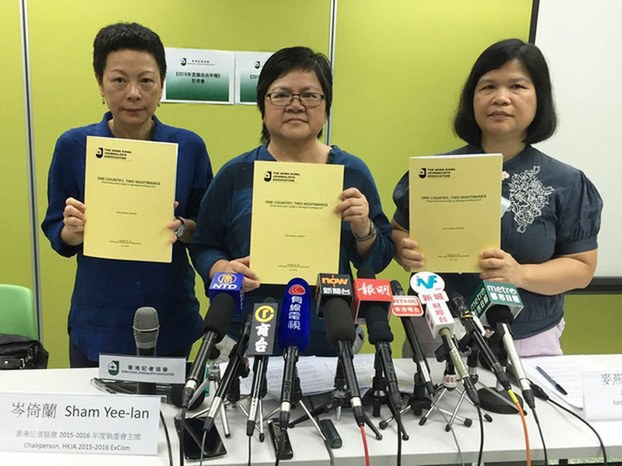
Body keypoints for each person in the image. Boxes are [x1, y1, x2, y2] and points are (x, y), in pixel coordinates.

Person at [392, 38, 602, 357]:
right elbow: (399, 230)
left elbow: (581, 267)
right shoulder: (433, 172)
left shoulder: (567, 182)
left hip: (528, 338)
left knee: (528, 409)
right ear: (472, 98)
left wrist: (520, 274)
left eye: (517, 86)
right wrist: (402, 248)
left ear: (539, 98)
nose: (501, 98)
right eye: (488, 86)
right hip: (438, 331)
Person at [189, 46, 394, 356]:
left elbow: (378, 257)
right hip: (247, 331)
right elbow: (204, 244)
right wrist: (220, 268)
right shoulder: (237, 173)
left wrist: (364, 229)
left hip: (330, 333)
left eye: (310, 95)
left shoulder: (351, 171)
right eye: (282, 95)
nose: (296, 105)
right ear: (263, 106)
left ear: (325, 107)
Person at [41, 22, 213, 367]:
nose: (133, 93)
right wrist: (71, 231)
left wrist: (180, 226)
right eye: (119, 80)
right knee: (98, 419)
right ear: (100, 83)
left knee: (168, 419)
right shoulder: (74, 146)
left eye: (146, 81)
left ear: (161, 84)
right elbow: (55, 229)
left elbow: (205, 231)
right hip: (99, 319)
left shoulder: (188, 147)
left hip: (169, 316)